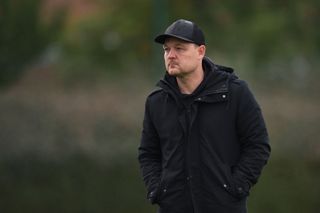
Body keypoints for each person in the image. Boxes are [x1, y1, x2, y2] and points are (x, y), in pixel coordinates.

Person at [138, 19, 271, 213]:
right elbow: (148, 154)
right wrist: (158, 189)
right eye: (166, 50)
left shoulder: (235, 93)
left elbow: (258, 145)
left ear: (201, 51)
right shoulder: (156, 102)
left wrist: (236, 187)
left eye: (179, 48)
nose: (171, 55)